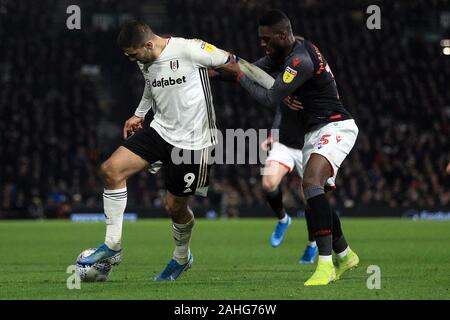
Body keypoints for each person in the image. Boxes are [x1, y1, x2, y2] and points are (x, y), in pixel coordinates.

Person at [78, 21, 233, 281]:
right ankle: (113, 245)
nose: (131, 59)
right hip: (159, 130)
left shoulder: (189, 49)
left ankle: (181, 258)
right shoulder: (144, 59)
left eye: (133, 54)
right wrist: (139, 114)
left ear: (148, 44)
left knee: (174, 207)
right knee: (111, 170)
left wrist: (268, 85)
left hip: (193, 142)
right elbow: (151, 85)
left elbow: (229, 60)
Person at [217, 9, 359, 286]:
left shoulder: (301, 60)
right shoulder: (286, 51)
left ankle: (325, 265)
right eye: (261, 39)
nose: (263, 44)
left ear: (283, 35)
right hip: (312, 133)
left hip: (336, 127)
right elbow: (252, 70)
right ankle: (344, 254)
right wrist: (210, 69)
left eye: (267, 39)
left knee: (310, 184)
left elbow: (269, 97)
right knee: (314, 198)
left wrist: (237, 76)